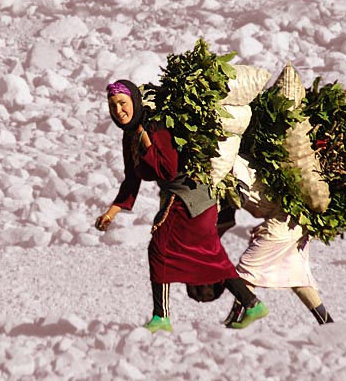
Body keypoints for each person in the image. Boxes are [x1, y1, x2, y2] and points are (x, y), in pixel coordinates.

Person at [94, 79, 269, 333]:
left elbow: (167, 169)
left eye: (122, 103)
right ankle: (252, 304)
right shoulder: (131, 134)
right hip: (195, 200)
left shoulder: (154, 127)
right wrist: (112, 212)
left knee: (159, 249)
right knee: (210, 255)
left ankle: (161, 318)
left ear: (135, 101)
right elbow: (132, 177)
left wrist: (146, 142)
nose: (118, 111)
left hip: (188, 197)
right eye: (113, 106)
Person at [222, 155, 334, 327]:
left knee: (246, 270)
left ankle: (237, 319)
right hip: (298, 220)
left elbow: (240, 194)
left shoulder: (234, 163)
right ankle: (327, 323)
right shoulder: (242, 160)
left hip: (283, 222)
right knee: (296, 275)